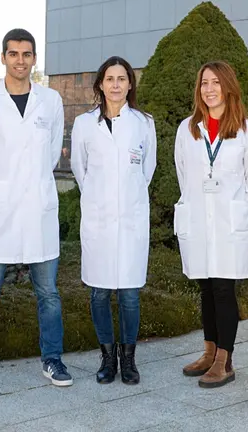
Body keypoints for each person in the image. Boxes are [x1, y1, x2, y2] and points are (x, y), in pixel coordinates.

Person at [0, 28, 71, 392]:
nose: (20, 60)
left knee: (49, 294)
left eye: (26, 54)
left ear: (34, 59)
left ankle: (52, 359)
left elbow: (51, 153)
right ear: (3, 57)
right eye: (13, 54)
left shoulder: (50, 101)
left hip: (38, 210)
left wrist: (28, 186)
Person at [174, 61, 248, 388]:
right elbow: (183, 175)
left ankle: (225, 361)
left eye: (215, 82)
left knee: (224, 289)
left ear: (228, 87)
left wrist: (239, 213)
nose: (209, 89)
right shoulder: (187, 129)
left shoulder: (246, 131)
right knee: (206, 288)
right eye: (204, 83)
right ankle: (209, 352)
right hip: (199, 220)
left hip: (229, 224)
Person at [70, 56, 156, 385]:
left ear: (130, 84)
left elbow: (146, 170)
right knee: (99, 293)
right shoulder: (84, 124)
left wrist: (127, 199)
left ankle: (128, 360)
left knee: (130, 295)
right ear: (101, 84)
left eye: (122, 79)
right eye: (110, 79)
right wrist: (99, 199)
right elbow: (80, 169)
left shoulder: (143, 123)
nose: (116, 84)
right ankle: (107, 358)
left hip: (131, 220)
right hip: (99, 221)